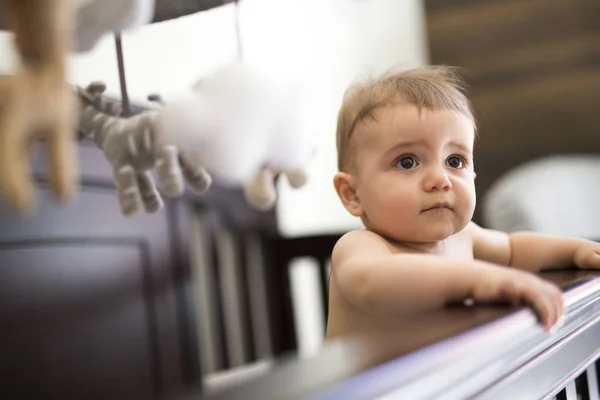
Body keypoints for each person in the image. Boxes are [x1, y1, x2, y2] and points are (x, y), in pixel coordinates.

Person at [327, 65, 600, 341]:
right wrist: (480, 280)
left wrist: (576, 249)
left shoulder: (464, 236)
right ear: (353, 194)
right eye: (407, 162)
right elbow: (373, 283)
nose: (440, 179)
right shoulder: (362, 247)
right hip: (380, 385)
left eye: (455, 161)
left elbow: (514, 249)